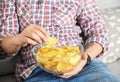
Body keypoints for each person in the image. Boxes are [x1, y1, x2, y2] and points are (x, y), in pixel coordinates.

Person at [0, 0, 120, 82]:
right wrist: (20, 38)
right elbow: (4, 48)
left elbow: (98, 34)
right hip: (36, 70)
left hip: (83, 67)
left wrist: (85, 59)